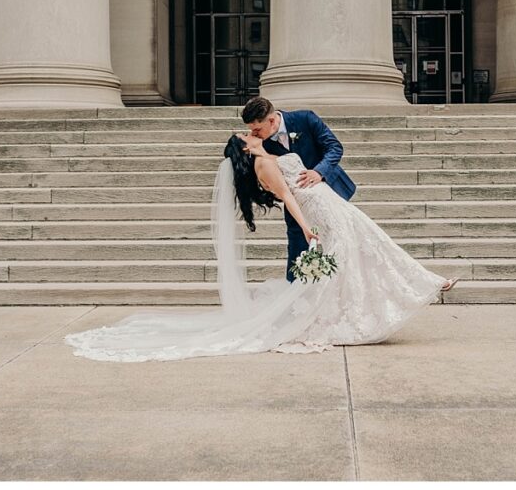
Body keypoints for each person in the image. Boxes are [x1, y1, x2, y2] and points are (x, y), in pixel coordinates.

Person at [63, 118, 460, 362]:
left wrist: (317, 181)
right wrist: (307, 228)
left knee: (372, 243)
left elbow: (321, 156)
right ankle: (425, 283)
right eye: (246, 134)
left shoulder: (268, 153)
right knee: (369, 245)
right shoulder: (263, 163)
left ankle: (422, 282)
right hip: (319, 210)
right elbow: (288, 197)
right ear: (244, 146)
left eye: (252, 128)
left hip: (329, 200)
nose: (250, 133)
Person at [240, 96, 356, 282]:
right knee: (297, 253)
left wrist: (319, 172)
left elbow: (334, 147)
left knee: (340, 249)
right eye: (251, 131)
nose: (254, 134)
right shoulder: (261, 144)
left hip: (329, 194)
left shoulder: (305, 118)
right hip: (298, 203)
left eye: (257, 129)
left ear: (271, 120)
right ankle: (296, 302)